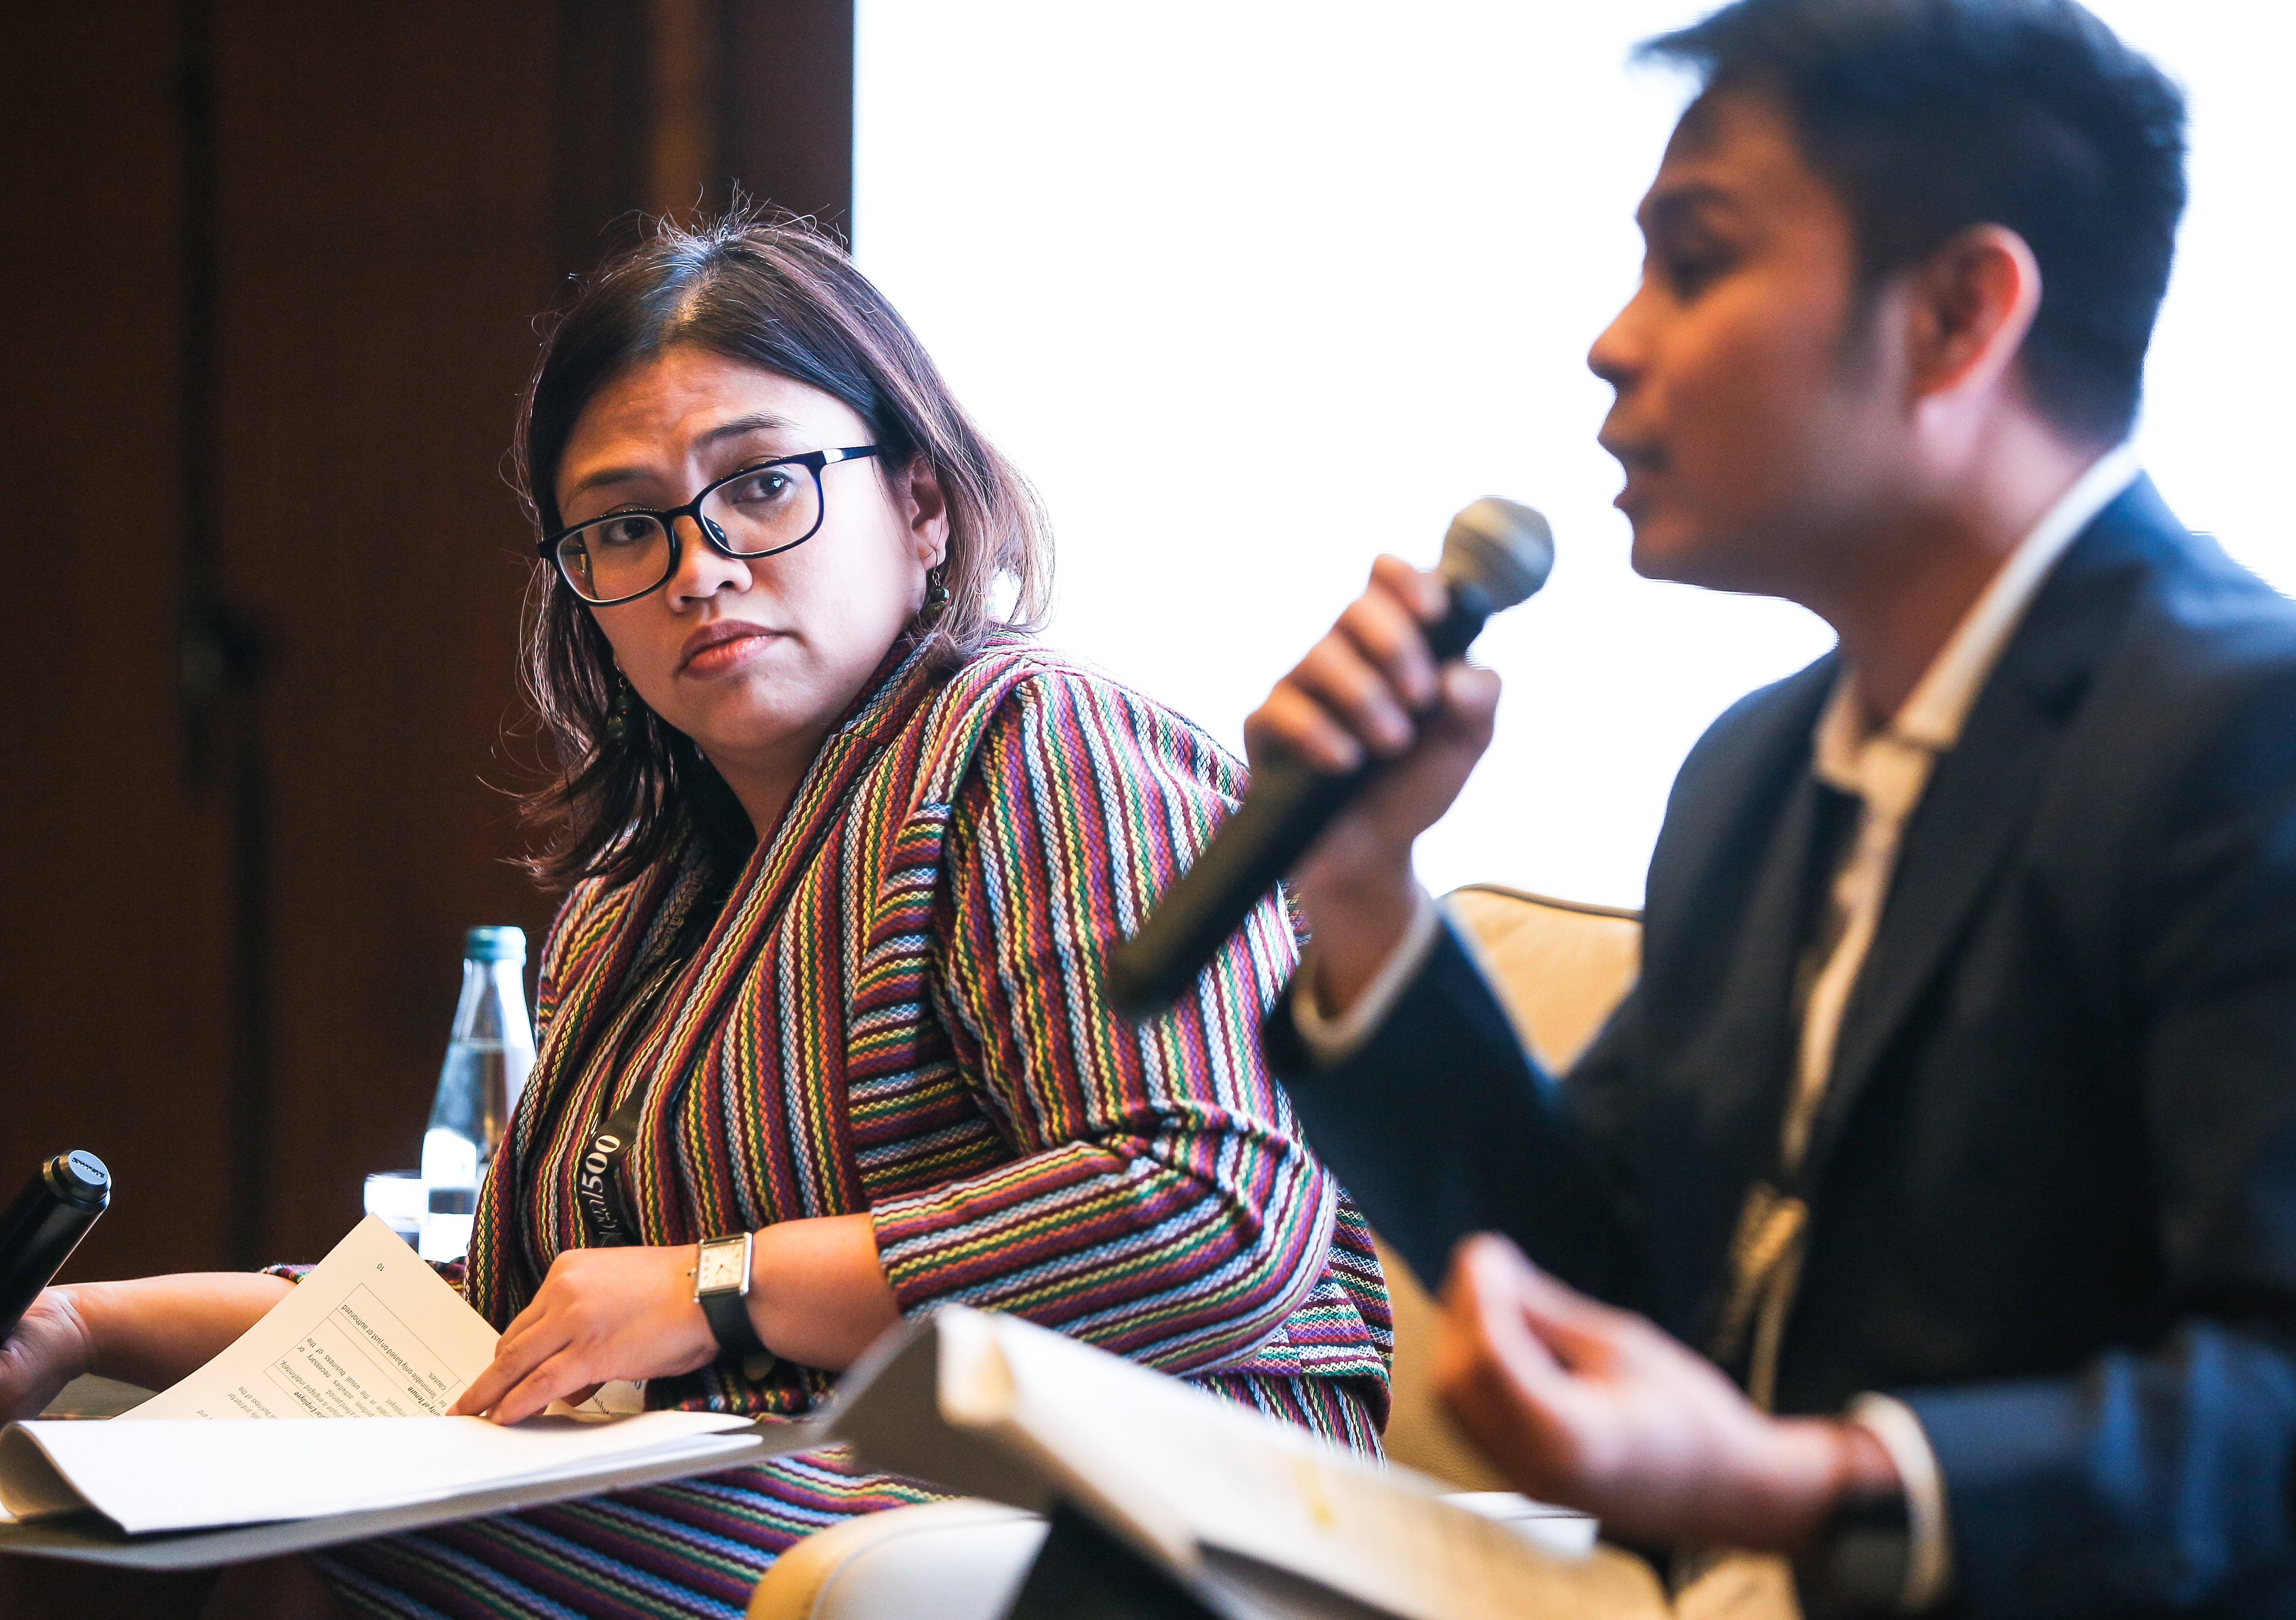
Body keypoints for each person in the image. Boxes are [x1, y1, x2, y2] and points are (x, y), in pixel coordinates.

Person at [0, 213, 1390, 1618]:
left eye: (764, 486)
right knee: (121, 1489)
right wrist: (77, 1324)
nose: (698, 566)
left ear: (920, 503)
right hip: (773, 1489)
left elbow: (1213, 1211)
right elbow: (495, 1321)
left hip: (1117, 1515)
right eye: (623, 527)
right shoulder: (634, 900)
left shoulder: (1037, 746)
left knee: (348, 1532)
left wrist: (721, 1288)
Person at [1248, 1, 2296, 1614]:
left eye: (1695, 261)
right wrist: (1366, 887)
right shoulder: (1755, 771)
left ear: (1957, 316)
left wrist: (1807, 1483)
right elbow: (1608, 1273)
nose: (1614, 341)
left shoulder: (2291, 739)